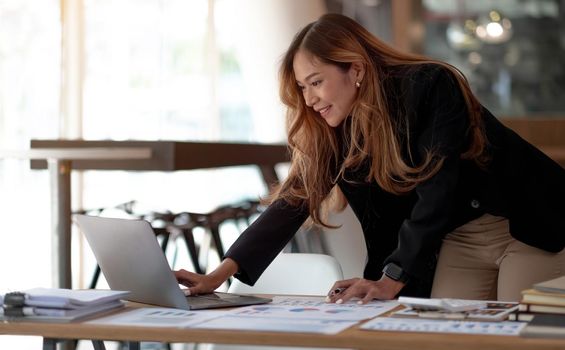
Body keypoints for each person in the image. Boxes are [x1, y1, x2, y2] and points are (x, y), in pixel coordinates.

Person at [175, 13, 565, 302]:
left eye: (316, 82)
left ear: (355, 69)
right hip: (457, 239)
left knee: (518, 336)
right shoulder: (336, 128)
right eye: (301, 88)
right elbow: (296, 199)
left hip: (525, 226)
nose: (308, 100)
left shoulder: (430, 86)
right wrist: (219, 274)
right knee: (445, 337)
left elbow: (437, 191)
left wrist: (389, 279)